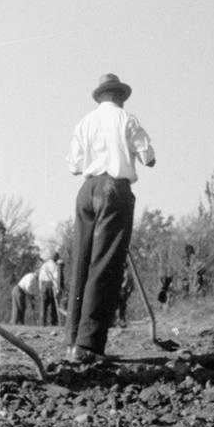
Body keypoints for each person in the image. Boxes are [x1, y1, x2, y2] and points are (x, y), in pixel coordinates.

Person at [66, 72, 155, 364]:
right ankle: (90, 346)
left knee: (81, 262)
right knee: (105, 265)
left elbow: (74, 166)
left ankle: (73, 341)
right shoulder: (127, 119)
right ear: (119, 96)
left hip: (87, 190)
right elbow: (149, 157)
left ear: (101, 96)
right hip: (114, 190)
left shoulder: (84, 122)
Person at [38, 251, 63, 326]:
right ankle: (53, 323)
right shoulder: (55, 266)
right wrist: (57, 289)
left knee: (43, 305)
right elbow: (56, 278)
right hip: (51, 285)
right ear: (56, 258)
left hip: (43, 285)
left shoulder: (44, 265)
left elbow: (40, 278)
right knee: (54, 304)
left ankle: (42, 323)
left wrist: (40, 288)